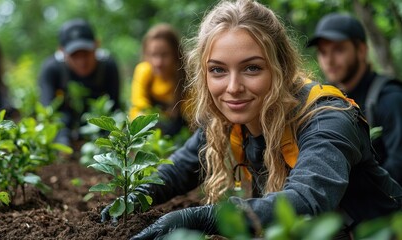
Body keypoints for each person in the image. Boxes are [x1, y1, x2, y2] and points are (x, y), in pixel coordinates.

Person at [102, 0, 402, 239]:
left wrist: (201, 217)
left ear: (280, 67)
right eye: (218, 70)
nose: (232, 88)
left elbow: (306, 201)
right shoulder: (229, 118)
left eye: (252, 68)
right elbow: (180, 169)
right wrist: (136, 196)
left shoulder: (325, 118)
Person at [306, 13, 402, 186]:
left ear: (362, 50)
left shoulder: (390, 98)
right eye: (323, 52)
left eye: (339, 49)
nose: (329, 60)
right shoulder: (325, 102)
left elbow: (398, 168)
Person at [38, 18, 121, 146]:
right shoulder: (52, 69)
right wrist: (61, 140)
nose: (82, 62)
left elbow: (115, 107)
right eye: (75, 55)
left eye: (86, 53)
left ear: (97, 45)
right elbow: (48, 111)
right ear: (61, 51)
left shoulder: (108, 66)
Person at [129, 23, 187, 136]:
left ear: (176, 54)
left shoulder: (186, 77)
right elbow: (138, 106)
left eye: (164, 55)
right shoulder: (144, 71)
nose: (158, 63)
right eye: (153, 55)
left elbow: (193, 118)